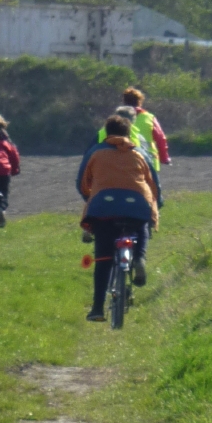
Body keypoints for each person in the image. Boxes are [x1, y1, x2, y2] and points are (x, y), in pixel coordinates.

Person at [79, 112, 159, 321]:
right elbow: (153, 185)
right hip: (136, 204)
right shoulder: (140, 153)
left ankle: (97, 308)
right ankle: (139, 258)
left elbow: (82, 181)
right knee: (141, 224)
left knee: (103, 259)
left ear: (106, 133)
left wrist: (91, 197)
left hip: (103, 208)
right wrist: (154, 208)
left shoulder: (96, 153)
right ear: (128, 132)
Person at [121, 87, 170, 175]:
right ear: (139, 102)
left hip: (125, 162)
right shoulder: (149, 118)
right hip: (149, 161)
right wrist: (164, 158)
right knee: (153, 188)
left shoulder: (117, 118)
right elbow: (160, 138)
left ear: (124, 102)